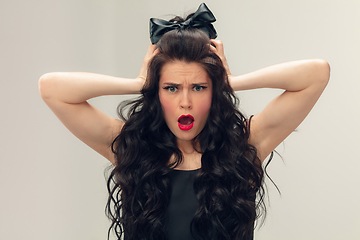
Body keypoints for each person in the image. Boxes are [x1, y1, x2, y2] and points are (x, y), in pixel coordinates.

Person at [38, 3, 330, 240]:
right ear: (156, 92)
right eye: (171, 88)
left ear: (214, 92)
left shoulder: (244, 145)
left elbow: (316, 74)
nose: (185, 101)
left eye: (199, 87)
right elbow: (51, 87)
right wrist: (139, 82)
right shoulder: (131, 147)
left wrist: (232, 81)